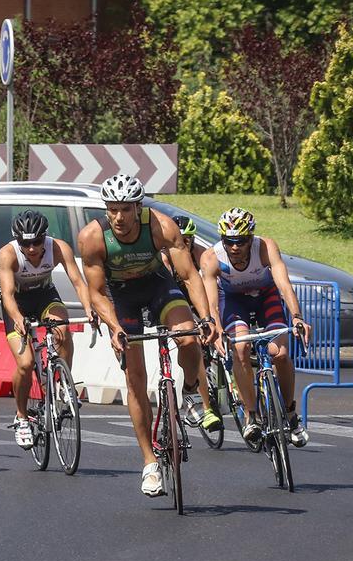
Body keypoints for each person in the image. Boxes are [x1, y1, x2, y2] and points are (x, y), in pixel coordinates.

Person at [78, 173, 219, 497]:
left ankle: (192, 392)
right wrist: (114, 329)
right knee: (135, 377)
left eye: (125, 209)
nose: (118, 217)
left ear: (138, 207)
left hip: (157, 284)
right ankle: (149, 463)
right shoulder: (92, 238)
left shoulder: (162, 226)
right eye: (112, 209)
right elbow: (97, 293)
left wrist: (207, 317)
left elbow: (188, 274)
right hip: (121, 296)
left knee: (187, 336)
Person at [199, 207, 312, 448]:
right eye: (229, 241)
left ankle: (291, 413)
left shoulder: (266, 247)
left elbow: (283, 283)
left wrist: (297, 317)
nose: (235, 247)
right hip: (233, 301)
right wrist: (217, 330)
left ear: (251, 239)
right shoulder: (211, 258)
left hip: (266, 295)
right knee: (240, 349)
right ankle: (251, 415)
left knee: (280, 354)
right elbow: (211, 304)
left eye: (240, 241)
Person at [0, 210, 94, 448]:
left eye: (37, 242)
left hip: (45, 296)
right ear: (17, 241)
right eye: (25, 243)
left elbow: (79, 282)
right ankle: (21, 417)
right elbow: (8, 295)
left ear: (45, 237)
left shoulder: (58, 247)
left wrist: (90, 309)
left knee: (62, 329)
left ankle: (62, 384)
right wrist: (18, 318)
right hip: (17, 302)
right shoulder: (8, 254)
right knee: (25, 363)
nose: (31, 248)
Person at [161, 215, 225, 434]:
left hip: (200, 299)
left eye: (188, 239)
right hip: (177, 301)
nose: (184, 244)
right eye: (181, 239)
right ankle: (206, 407)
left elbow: (208, 291)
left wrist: (210, 319)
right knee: (194, 344)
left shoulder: (199, 254)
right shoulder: (165, 258)